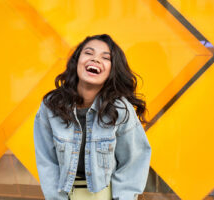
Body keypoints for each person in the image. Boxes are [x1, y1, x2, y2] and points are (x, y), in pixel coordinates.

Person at [34, 34, 151, 200]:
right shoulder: (51, 106)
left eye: (105, 57)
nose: (95, 59)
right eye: (88, 53)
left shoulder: (120, 109)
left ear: (112, 69)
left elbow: (132, 163)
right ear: (77, 61)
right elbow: (47, 163)